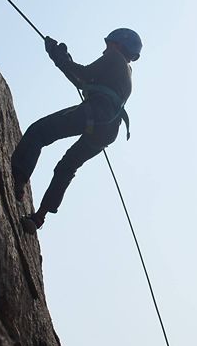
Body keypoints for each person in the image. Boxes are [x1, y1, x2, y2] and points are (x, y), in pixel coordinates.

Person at [12, 28, 142, 232]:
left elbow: (82, 74)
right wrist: (62, 59)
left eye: (108, 45)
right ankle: (38, 218)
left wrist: (57, 56)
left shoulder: (114, 58)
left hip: (93, 114)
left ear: (118, 44)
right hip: (107, 129)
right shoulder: (125, 71)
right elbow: (82, 81)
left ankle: (18, 180)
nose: (104, 50)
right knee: (67, 167)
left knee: (39, 132)